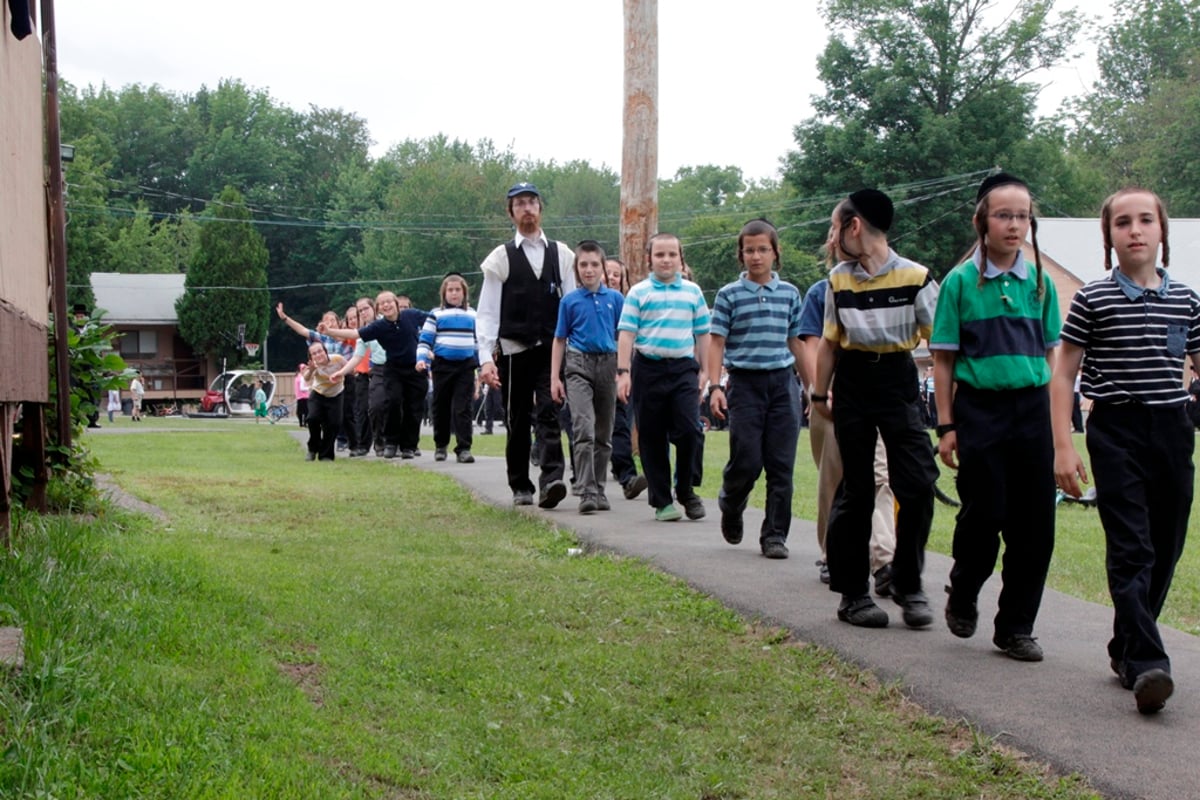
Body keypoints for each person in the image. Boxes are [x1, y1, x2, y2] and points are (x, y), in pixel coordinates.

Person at [1052, 187, 1200, 715]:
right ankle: (1148, 665)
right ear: (1109, 237)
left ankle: (1126, 646)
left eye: (1145, 221)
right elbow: (1064, 374)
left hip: (1172, 430)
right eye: (1122, 223)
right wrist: (1064, 446)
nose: (1135, 230)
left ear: (1162, 231)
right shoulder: (1094, 298)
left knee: (1167, 546)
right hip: (1115, 429)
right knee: (1132, 548)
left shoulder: (1186, 299)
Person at [930, 173, 1061, 663]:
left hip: (1031, 411)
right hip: (979, 412)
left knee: (1036, 526)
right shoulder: (961, 283)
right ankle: (963, 588)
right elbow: (943, 361)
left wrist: (1054, 425)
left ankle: (1016, 627)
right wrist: (946, 426)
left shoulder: (1042, 282)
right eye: (1004, 215)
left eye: (1023, 216)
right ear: (982, 220)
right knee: (984, 516)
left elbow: (1052, 359)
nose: (1014, 225)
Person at [811, 188, 940, 629]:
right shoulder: (838, 281)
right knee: (858, 490)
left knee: (918, 484)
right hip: (853, 382)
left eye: (835, 227)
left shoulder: (916, 278)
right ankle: (853, 595)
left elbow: (939, 342)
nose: (831, 238)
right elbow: (829, 344)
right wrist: (817, 395)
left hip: (899, 381)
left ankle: (908, 582)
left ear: (854, 226)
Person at [706, 219, 804, 558]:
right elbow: (716, 343)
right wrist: (715, 386)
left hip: (782, 384)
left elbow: (797, 342)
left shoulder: (790, 294)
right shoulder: (729, 295)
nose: (756, 256)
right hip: (744, 384)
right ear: (741, 255)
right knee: (747, 458)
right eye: (749, 250)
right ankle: (731, 502)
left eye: (763, 249)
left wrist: (814, 388)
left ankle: (774, 535)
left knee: (781, 464)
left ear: (775, 253)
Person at [476, 182, 576, 507]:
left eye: (532, 202)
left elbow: (572, 303)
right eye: (520, 204)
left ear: (541, 208)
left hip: (550, 350)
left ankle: (552, 481)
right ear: (511, 212)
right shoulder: (500, 258)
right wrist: (485, 358)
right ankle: (520, 485)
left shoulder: (562, 254)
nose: (527, 208)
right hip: (513, 349)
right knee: (517, 418)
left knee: (549, 411)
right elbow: (488, 312)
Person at [799, 276, 896, 591]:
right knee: (835, 477)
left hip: (876, 391)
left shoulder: (890, 286)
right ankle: (832, 554)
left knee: (879, 475)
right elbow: (814, 343)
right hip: (831, 392)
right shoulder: (821, 292)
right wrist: (822, 389)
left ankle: (884, 561)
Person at [616, 233, 711, 522]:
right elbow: (627, 334)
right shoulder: (639, 293)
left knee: (690, 430)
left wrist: (705, 370)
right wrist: (624, 372)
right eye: (660, 255)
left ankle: (685, 489)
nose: (666, 260)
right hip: (648, 369)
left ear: (681, 259)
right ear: (650, 259)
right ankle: (662, 500)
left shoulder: (693, 292)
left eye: (672, 254)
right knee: (652, 435)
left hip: (683, 368)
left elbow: (703, 333)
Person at [551, 241, 624, 513]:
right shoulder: (569, 301)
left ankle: (600, 488)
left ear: (603, 268)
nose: (589, 270)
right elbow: (559, 339)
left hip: (608, 364)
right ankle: (586, 489)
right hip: (578, 364)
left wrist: (625, 371)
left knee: (604, 432)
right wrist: (554, 378)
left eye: (595, 264)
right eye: (584, 265)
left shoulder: (616, 300)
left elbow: (625, 336)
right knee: (584, 426)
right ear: (576, 268)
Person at [320, 291, 427, 459]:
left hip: (415, 368)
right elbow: (355, 334)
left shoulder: (410, 315)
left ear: (396, 303)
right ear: (379, 308)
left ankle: (409, 446)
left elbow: (434, 320)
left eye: (389, 301)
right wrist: (330, 331)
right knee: (392, 402)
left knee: (413, 409)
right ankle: (389, 443)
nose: (386, 305)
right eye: (382, 303)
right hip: (391, 369)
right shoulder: (379, 327)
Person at [417, 273, 480, 464]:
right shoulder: (436, 314)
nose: (454, 294)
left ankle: (464, 448)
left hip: (466, 366)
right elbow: (425, 340)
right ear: (444, 293)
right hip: (442, 365)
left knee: (463, 408)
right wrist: (421, 360)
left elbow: (479, 342)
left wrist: (482, 363)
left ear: (464, 293)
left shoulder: (473, 315)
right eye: (450, 290)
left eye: (457, 290)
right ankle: (441, 445)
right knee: (441, 406)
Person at [604, 257, 648, 500]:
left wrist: (624, 370)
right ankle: (583, 474)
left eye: (616, 275)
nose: (611, 277)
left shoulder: (629, 305)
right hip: (585, 368)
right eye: (607, 272)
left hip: (620, 370)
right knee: (585, 425)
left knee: (620, 422)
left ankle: (627, 476)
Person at [301, 340, 347, 461]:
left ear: (325, 351)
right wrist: (310, 370)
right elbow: (306, 377)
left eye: (320, 351)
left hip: (336, 394)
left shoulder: (337, 359)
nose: (318, 355)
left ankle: (326, 455)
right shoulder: (314, 366)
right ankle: (313, 448)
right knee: (312, 418)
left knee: (333, 424)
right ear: (311, 357)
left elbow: (349, 367)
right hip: (318, 394)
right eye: (314, 354)